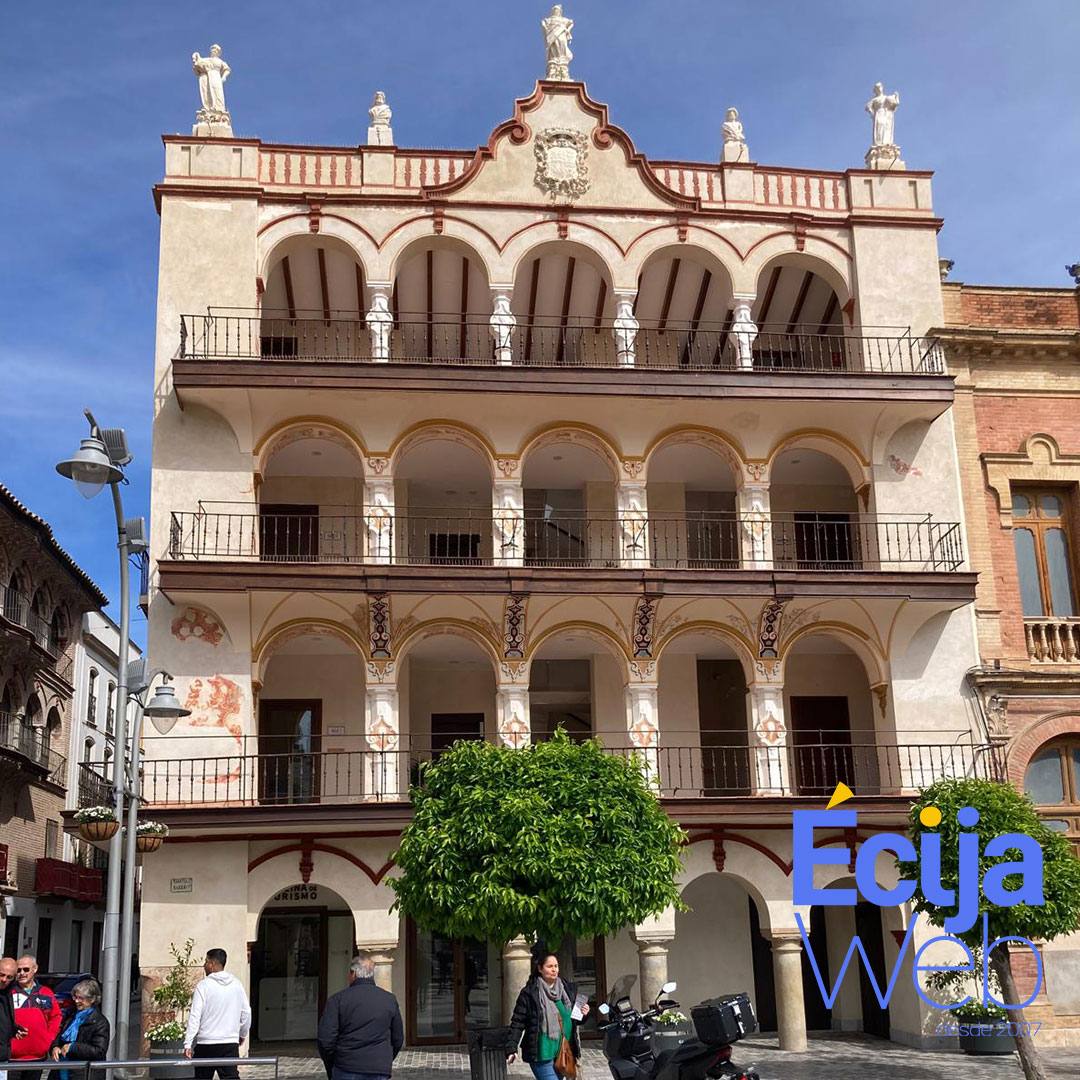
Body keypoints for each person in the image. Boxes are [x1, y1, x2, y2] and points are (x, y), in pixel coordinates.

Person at [506, 945, 589, 1080]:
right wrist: (511, 1047)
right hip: (541, 1054)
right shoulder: (530, 993)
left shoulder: (567, 990)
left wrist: (584, 1013)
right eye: (550, 966)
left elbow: (574, 1019)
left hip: (563, 1052)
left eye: (556, 966)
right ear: (540, 968)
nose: (554, 969)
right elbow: (517, 1022)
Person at [317, 956, 403, 1080]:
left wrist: (333, 1063)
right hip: (377, 1066)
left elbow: (325, 1039)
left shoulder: (338, 1000)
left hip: (346, 1066)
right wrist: (384, 1060)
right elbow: (398, 1038)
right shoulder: (389, 1000)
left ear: (354, 974)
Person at [183, 949, 251, 1080]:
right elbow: (247, 1013)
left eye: (206, 961)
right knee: (230, 1077)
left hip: (206, 1043)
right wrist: (242, 1034)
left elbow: (195, 1016)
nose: (204, 965)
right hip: (229, 1042)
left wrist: (188, 1043)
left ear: (212, 964)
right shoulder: (236, 985)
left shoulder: (203, 986)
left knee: (202, 1077)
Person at [10, 954, 61, 1080]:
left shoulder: (46, 993)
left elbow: (56, 1017)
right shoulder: (8, 992)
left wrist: (47, 1039)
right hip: (11, 1058)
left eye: (26, 969)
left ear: (35, 969)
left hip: (37, 1058)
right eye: (18, 970)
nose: (22, 973)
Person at [50, 978, 109, 1080]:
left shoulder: (99, 1022)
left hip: (84, 1073)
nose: (77, 1001)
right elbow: (59, 1036)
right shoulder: (70, 1015)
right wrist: (55, 1047)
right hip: (62, 1070)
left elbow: (99, 1051)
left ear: (92, 999)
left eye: (81, 998)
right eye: (75, 997)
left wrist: (73, 1047)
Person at [0, 957, 24, 1080]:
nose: (4, 980)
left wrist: (13, 1029)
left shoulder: (7, 993)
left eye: (9, 977)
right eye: (1, 975)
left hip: (3, 1058)